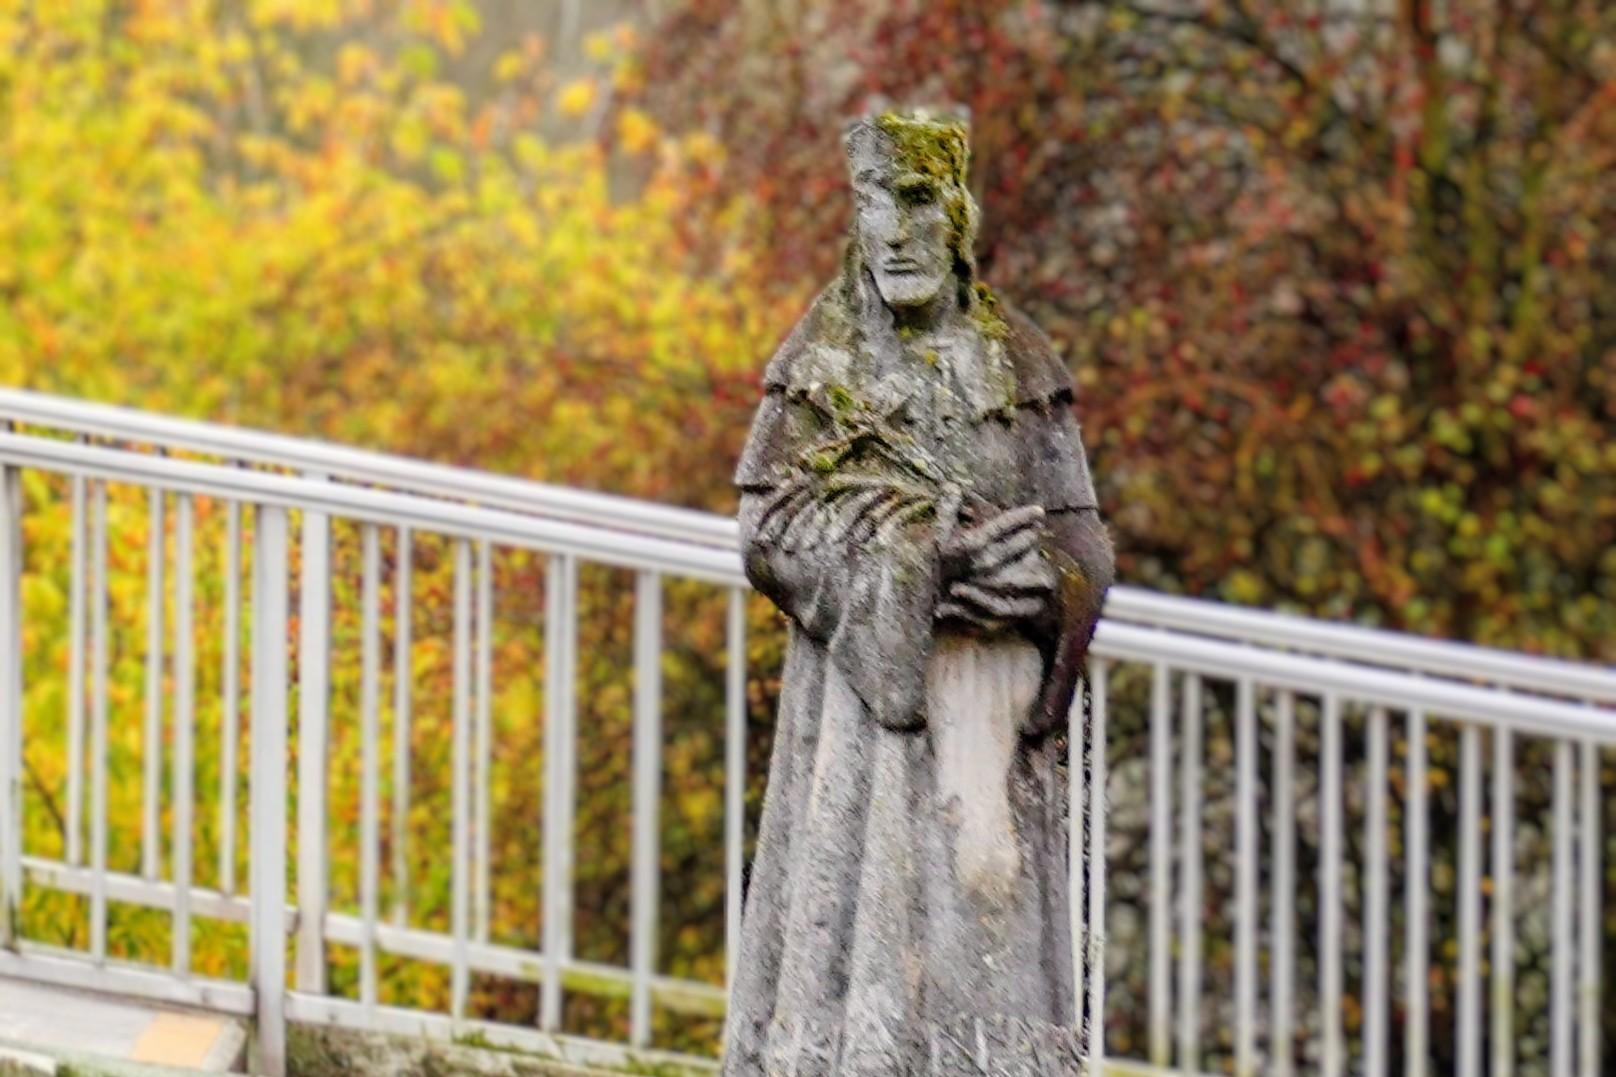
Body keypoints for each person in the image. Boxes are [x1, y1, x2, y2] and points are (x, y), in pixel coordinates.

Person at [724, 110, 1114, 1076]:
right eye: (873, 203)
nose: (895, 232)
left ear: (957, 214)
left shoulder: (1018, 362)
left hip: (989, 727)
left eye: (916, 202)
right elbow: (765, 529)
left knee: (987, 965)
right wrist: (913, 562)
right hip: (859, 740)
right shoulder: (827, 359)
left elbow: (1082, 537)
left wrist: (1038, 588)